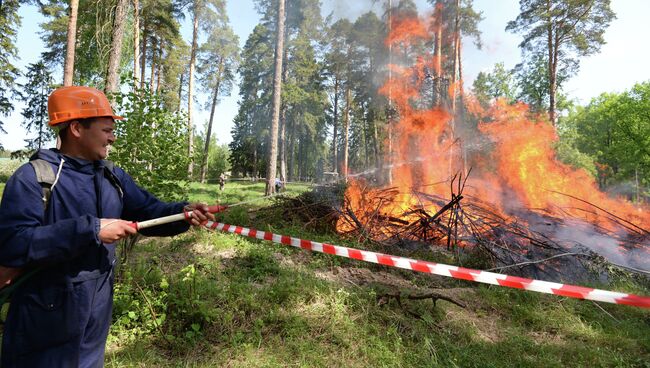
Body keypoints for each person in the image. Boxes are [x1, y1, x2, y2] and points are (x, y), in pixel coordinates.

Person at [0, 86, 215, 367]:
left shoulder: (112, 177)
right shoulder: (34, 178)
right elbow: (14, 244)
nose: (113, 137)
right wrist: (91, 230)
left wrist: (182, 213)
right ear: (76, 128)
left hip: (95, 321)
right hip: (41, 327)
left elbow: (149, 212)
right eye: (106, 130)